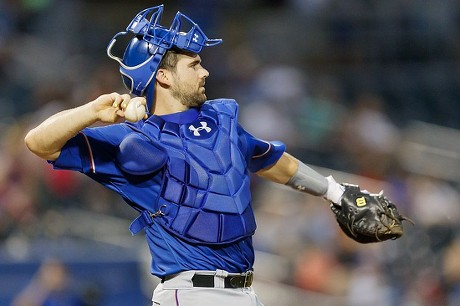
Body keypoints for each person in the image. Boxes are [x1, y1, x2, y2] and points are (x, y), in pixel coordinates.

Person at [24, 5, 357, 306]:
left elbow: (271, 160)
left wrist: (335, 192)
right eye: (194, 64)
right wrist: (93, 112)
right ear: (164, 75)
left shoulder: (221, 121)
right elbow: (38, 142)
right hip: (190, 292)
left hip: (246, 292)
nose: (205, 72)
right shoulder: (130, 138)